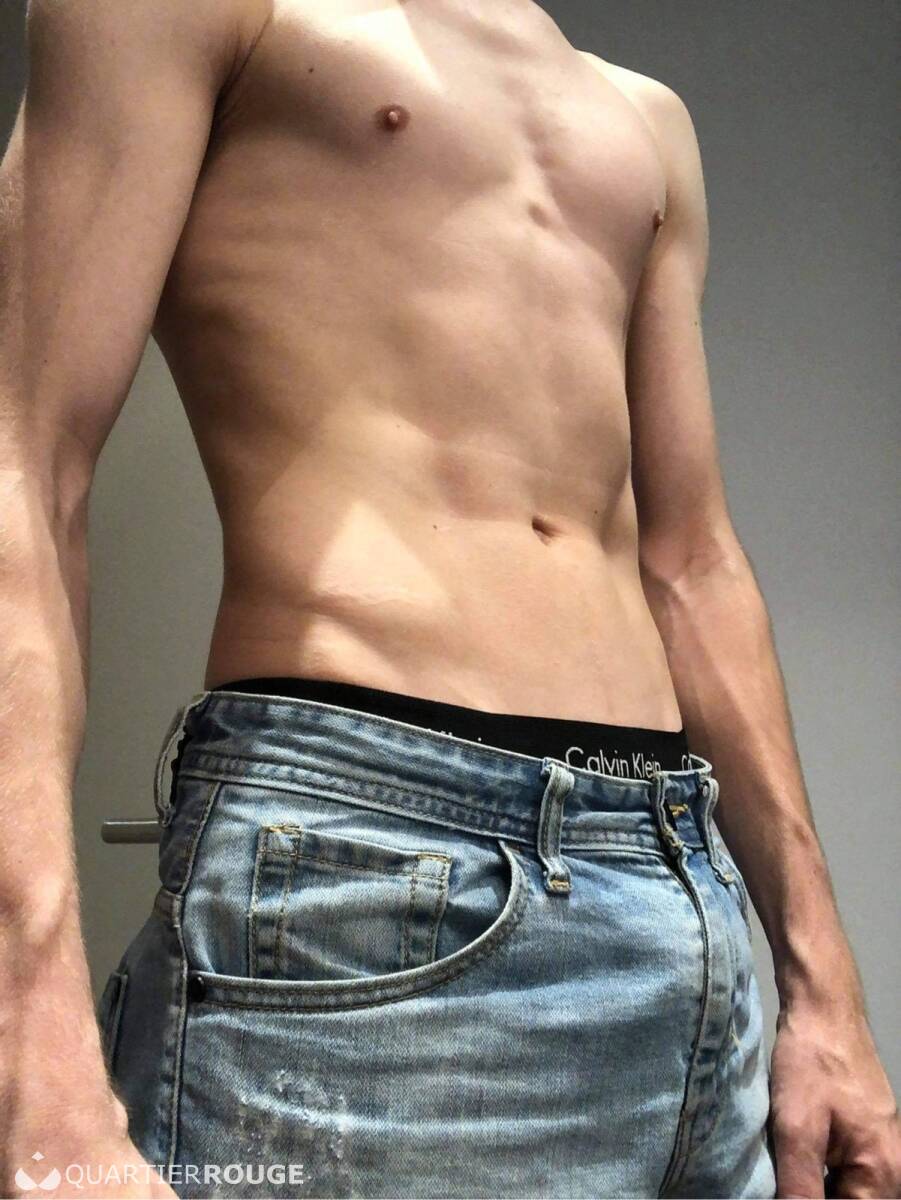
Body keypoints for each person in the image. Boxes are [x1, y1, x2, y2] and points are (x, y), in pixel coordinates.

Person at [1, 2, 897, 1198]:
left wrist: (827, 996)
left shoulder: (642, 120)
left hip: (676, 889)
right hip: (372, 871)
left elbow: (693, 563)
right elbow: (24, 463)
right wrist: (33, 1047)